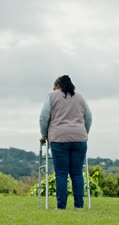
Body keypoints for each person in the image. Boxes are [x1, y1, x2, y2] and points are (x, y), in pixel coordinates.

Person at [39, 75, 92, 209]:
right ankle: (79, 206)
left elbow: (44, 117)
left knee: (61, 173)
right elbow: (89, 117)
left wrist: (44, 135)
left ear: (57, 86)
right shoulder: (80, 97)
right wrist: (84, 132)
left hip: (59, 138)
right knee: (77, 172)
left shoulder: (51, 96)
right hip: (80, 138)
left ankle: (61, 206)